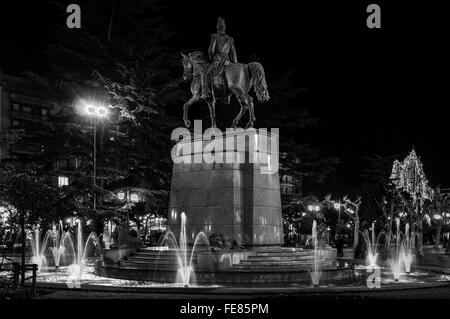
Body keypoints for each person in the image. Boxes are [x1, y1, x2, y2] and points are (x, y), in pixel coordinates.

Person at [201, 17, 238, 100]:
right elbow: (233, 54)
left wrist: (211, 57)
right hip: (227, 61)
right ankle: (228, 96)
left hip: (217, 60)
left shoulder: (214, 36)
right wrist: (235, 65)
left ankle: (204, 92)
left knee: (204, 72)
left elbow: (211, 50)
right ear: (224, 27)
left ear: (217, 27)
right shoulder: (230, 39)